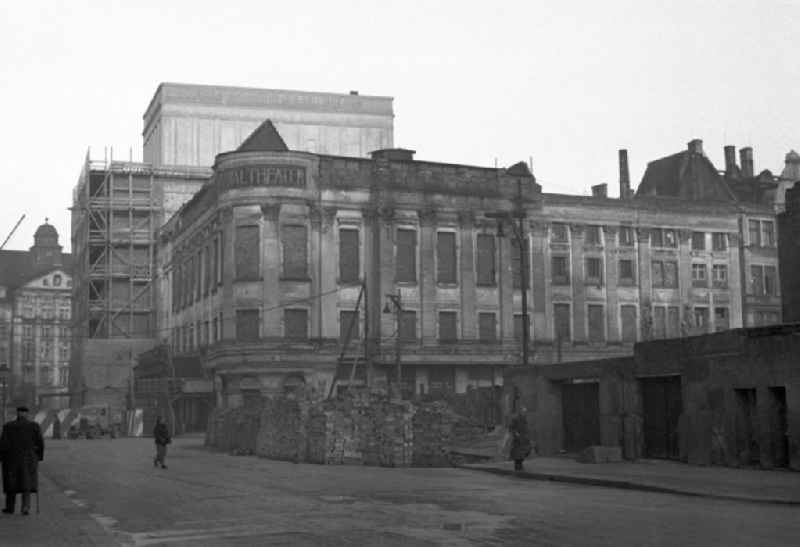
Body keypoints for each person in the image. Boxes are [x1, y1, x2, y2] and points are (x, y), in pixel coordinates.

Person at [0, 406, 44, 515]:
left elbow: (3, 444)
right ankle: (26, 507)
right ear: (27, 414)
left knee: (11, 482)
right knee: (26, 482)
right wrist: (39, 456)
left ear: (17, 413)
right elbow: (40, 443)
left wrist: (1, 457)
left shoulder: (8, 426)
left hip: (11, 458)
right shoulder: (34, 426)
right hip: (29, 459)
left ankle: (10, 507)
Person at [509, 407, 532, 472]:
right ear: (520, 412)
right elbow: (511, 428)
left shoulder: (524, 419)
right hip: (518, 439)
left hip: (524, 438)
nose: (525, 413)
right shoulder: (515, 418)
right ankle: (518, 466)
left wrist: (527, 436)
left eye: (525, 412)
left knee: (526, 450)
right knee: (518, 453)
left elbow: (526, 427)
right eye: (523, 411)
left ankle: (520, 465)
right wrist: (516, 433)